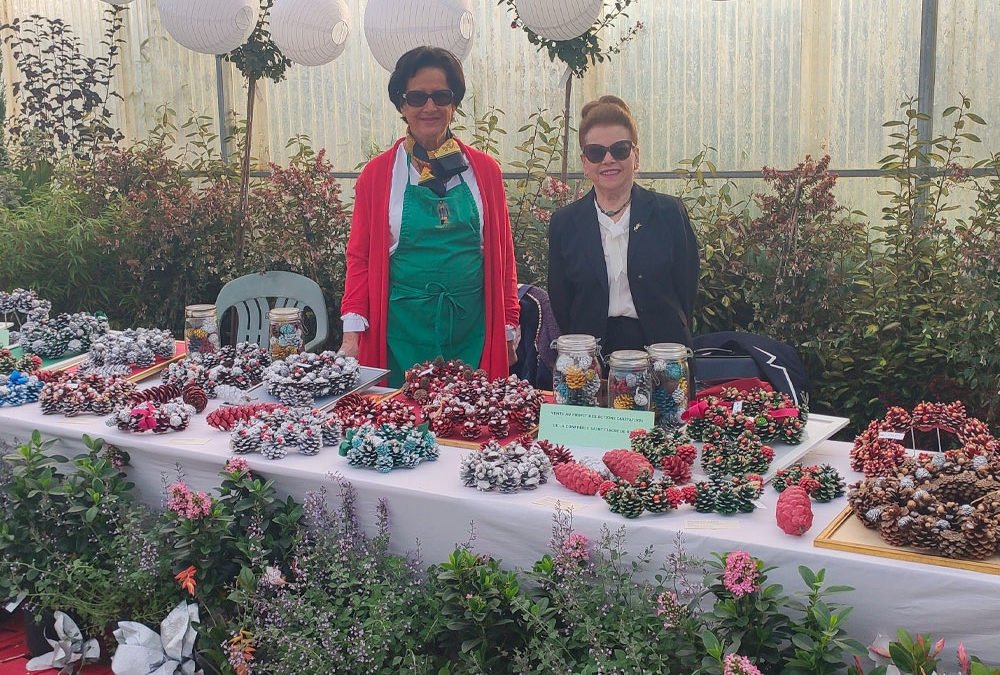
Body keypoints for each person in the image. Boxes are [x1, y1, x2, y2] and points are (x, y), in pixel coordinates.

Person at [339, 46, 519, 386]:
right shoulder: (377, 176)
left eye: (441, 95)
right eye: (417, 97)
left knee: (472, 424)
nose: (430, 106)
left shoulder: (485, 171)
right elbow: (360, 258)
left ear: (454, 103)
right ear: (401, 104)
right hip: (401, 331)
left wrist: (508, 325)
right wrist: (353, 332)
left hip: (472, 329)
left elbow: (503, 256)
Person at [547, 95, 700, 354]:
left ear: (635, 156)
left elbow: (686, 290)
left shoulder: (669, 214)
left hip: (663, 356)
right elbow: (562, 301)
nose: (608, 160)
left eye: (619, 149)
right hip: (590, 361)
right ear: (585, 163)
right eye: (596, 152)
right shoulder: (565, 223)